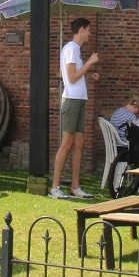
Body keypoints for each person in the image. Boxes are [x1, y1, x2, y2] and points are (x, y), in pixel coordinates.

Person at [49, 18, 98, 200]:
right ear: (81, 29)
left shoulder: (76, 50)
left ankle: (75, 187)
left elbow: (77, 76)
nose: (90, 33)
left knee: (79, 144)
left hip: (79, 100)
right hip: (71, 101)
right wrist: (89, 63)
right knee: (67, 144)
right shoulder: (70, 48)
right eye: (88, 30)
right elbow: (71, 77)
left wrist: (89, 73)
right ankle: (55, 187)